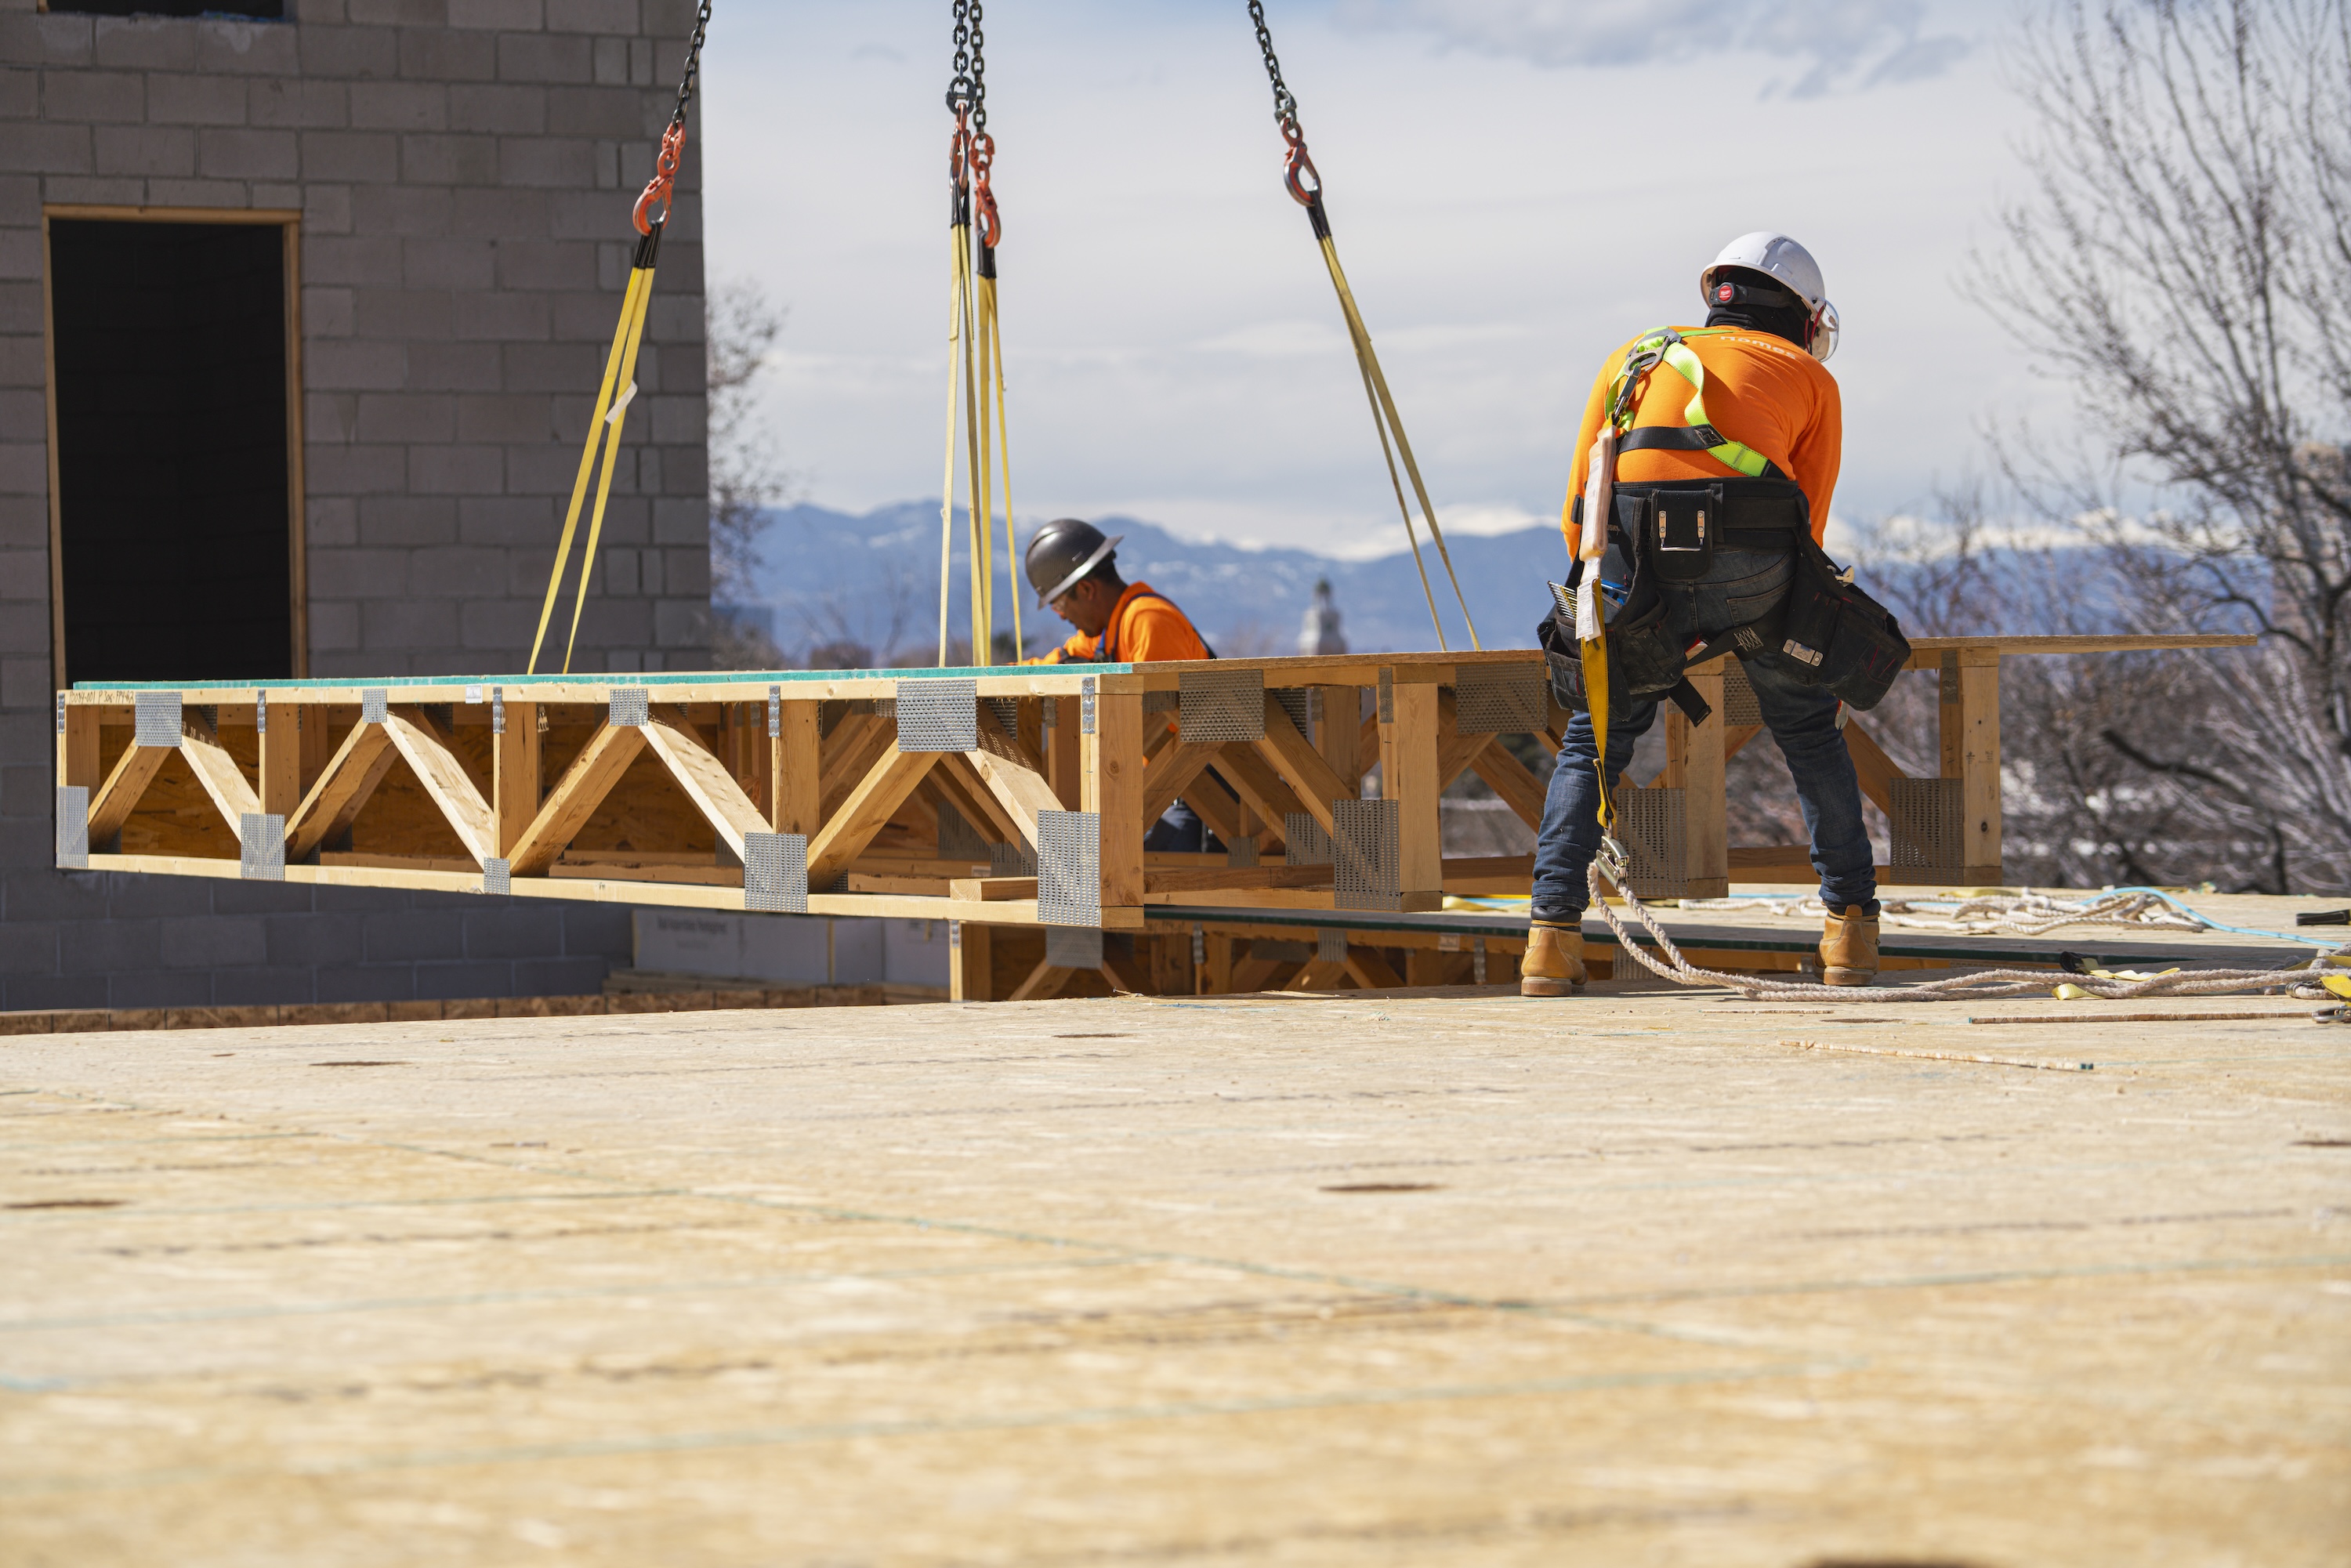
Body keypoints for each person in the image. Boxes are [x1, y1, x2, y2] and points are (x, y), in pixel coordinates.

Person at [1524, 232, 1880, 996]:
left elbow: (1577, 510)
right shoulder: (1810, 380)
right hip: (1754, 566)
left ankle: (1549, 941)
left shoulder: (1635, 357)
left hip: (1630, 563)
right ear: (1802, 317)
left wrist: (1624, 604)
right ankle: (1850, 931)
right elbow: (1808, 529)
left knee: (1596, 739)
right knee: (1810, 729)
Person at [1023, 519, 1217, 850]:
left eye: (1059, 603)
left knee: (1136, 876)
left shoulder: (1148, 621)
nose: (1060, 615)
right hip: (1156, 790)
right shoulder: (1109, 631)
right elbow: (1055, 663)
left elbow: (1154, 723)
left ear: (1086, 589)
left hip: (1202, 795)